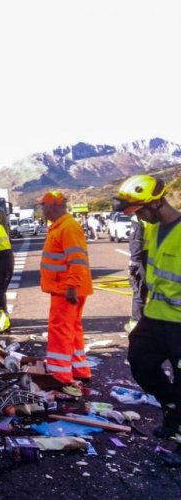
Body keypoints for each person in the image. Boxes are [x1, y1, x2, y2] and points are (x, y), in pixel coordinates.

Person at [113, 175, 181, 466]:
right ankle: (172, 408)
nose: (138, 216)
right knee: (140, 361)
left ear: (157, 203)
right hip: (156, 317)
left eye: (140, 210)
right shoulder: (154, 228)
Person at [37, 191, 93, 386]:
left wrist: (71, 287)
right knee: (73, 329)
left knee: (60, 330)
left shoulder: (67, 228)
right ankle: (80, 370)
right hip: (67, 288)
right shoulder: (62, 226)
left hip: (66, 290)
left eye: (42, 205)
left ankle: (59, 375)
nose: (41, 209)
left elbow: (77, 260)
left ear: (51, 206)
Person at [124, 214, 147, 333]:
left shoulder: (138, 218)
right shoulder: (160, 217)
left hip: (142, 258)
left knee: (139, 291)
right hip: (155, 256)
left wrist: (133, 264)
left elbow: (136, 242)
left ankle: (136, 323)